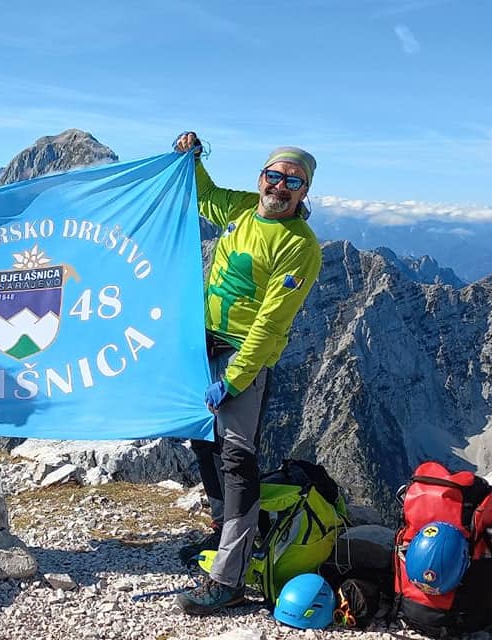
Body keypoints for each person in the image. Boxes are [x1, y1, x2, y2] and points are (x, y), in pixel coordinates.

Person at [171, 133, 324, 615]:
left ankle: (228, 579)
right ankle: (223, 536)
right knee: (203, 443)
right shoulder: (240, 209)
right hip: (205, 343)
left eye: (292, 181)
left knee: (237, 461)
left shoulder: (301, 247)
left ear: (304, 191)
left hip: (241, 358)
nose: (280, 186)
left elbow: (270, 323)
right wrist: (189, 159)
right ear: (261, 178)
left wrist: (234, 379)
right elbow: (206, 196)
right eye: (274, 176)